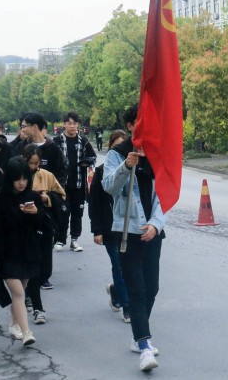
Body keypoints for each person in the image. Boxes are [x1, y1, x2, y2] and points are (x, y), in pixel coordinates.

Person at [103, 103, 165, 372]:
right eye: (141, 121)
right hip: (127, 232)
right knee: (136, 290)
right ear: (130, 126)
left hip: (152, 232)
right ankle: (144, 345)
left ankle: (139, 335)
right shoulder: (117, 154)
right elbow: (109, 187)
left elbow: (164, 195)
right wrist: (126, 166)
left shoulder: (157, 153)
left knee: (152, 288)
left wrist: (156, 224)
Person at [0, 157, 52, 347]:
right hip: (7, 252)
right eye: (17, 179)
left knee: (21, 288)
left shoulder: (34, 197)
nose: (21, 183)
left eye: (24, 178)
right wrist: (17, 213)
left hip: (28, 251)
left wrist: (36, 212)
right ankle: (26, 331)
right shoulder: (0, 198)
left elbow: (44, 225)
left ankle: (14, 324)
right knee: (20, 293)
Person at [90, 129, 131, 323]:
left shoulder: (134, 170)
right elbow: (95, 202)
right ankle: (127, 307)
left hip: (129, 227)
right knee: (119, 265)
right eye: (116, 147)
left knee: (129, 267)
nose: (119, 151)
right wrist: (97, 230)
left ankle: (116, 290)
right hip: (109, 228)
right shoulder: (101, 172)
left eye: (123, 147)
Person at [21, 143, 65, 310]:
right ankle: (30, 297)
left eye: (36, 163)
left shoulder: (47, 175)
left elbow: (62, 195)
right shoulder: (17, 176)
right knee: (30, 264)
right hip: (23, 226)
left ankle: (32, 290)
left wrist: (48, 198)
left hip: (44, 224)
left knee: (45, 268)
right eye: (29, 163)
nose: (33, 166)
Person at [53, 111, 96, 252]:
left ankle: (74, 240)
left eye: (75, 123)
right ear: (64, 124)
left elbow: (93, 157)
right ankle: (60, 239)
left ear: (78, 125)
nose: (72, 126)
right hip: (61, 185)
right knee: (63, 213)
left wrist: (87, 161)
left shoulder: (83, 141)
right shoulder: (56, 141)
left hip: (79, 184)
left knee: (77, 214)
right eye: (69, 123)